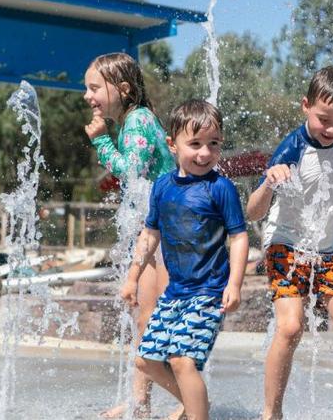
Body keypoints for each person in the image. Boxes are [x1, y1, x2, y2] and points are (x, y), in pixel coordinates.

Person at [246, 66, 333, 420]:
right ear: (306, 105)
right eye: (324, 119)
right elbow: (253, 212)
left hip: (326, 250)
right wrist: (269, 182)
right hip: (284, 245)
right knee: (291, 326)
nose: (332, 130)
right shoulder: (291, 148)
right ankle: (271, 413)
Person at [121, 99, 249, 420]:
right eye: (194, 144)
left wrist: (234, 284)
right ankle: (198, 408)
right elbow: (150, 234)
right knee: (146, 361)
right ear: (172, 145)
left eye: (214, 144)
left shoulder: (221, 189)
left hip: (209, 292)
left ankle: (197, 414)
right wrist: (133, 276)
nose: (205, 153)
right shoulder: (162, 186)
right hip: (175, 293)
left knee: (181, 360)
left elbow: (239, 237)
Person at [82, 52, 182, 419]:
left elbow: (132, 171)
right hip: (156, 231)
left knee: (163, 319)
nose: (87, 96)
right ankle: (140, 403)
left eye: (94, 87)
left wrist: (101, 142)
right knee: (145, 318)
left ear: (122, 89)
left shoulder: (138, 121)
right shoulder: (134, 120)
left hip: (169, 233)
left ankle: (191, 400)